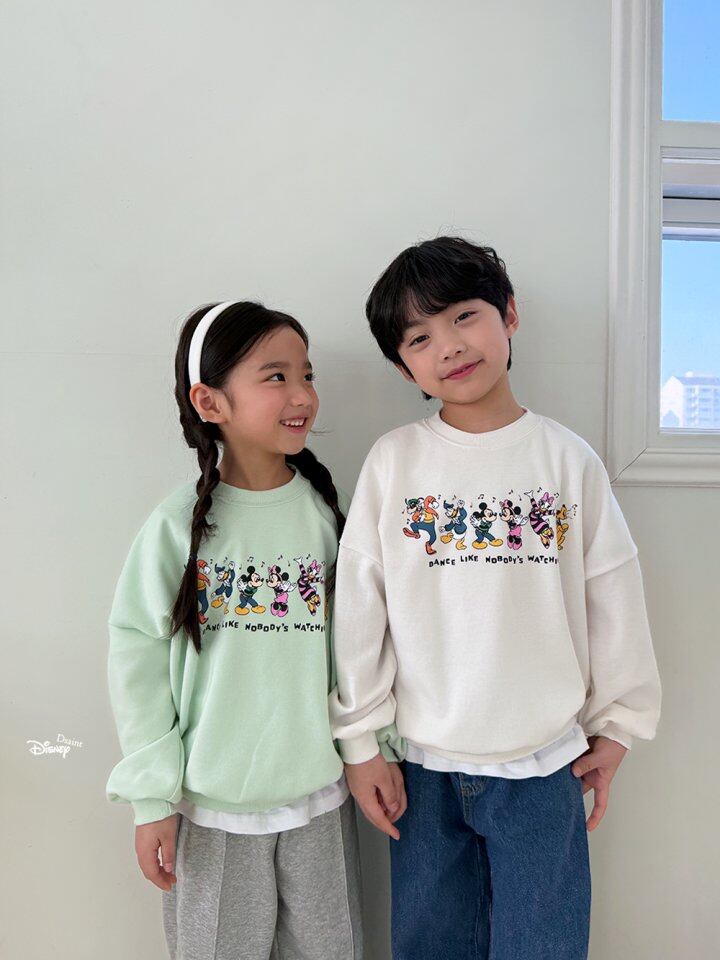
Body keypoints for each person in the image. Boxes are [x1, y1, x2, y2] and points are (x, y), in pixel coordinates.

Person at [328, 237, 662, 960]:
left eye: (463, 316)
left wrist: (619, 725)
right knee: (431, 945)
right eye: (420, 337)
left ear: (508, 314)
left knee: (544, 948)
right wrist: (360, 744)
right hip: (421, 770)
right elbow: (359, 609)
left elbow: (613, 592)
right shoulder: (395, 462)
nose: (449, 345)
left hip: (545, 766)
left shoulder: (566, 459)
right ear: (403, 366)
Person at [106, 300, 363, 960]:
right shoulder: (176, 527)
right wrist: (151, 798)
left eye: (307, 375)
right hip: (211, 813)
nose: (302, 394)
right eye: (276, 376)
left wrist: (375, 749)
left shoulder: (326, 515)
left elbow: (359, 649)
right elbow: (136, 663)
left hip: (320, 803)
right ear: (210, 401)